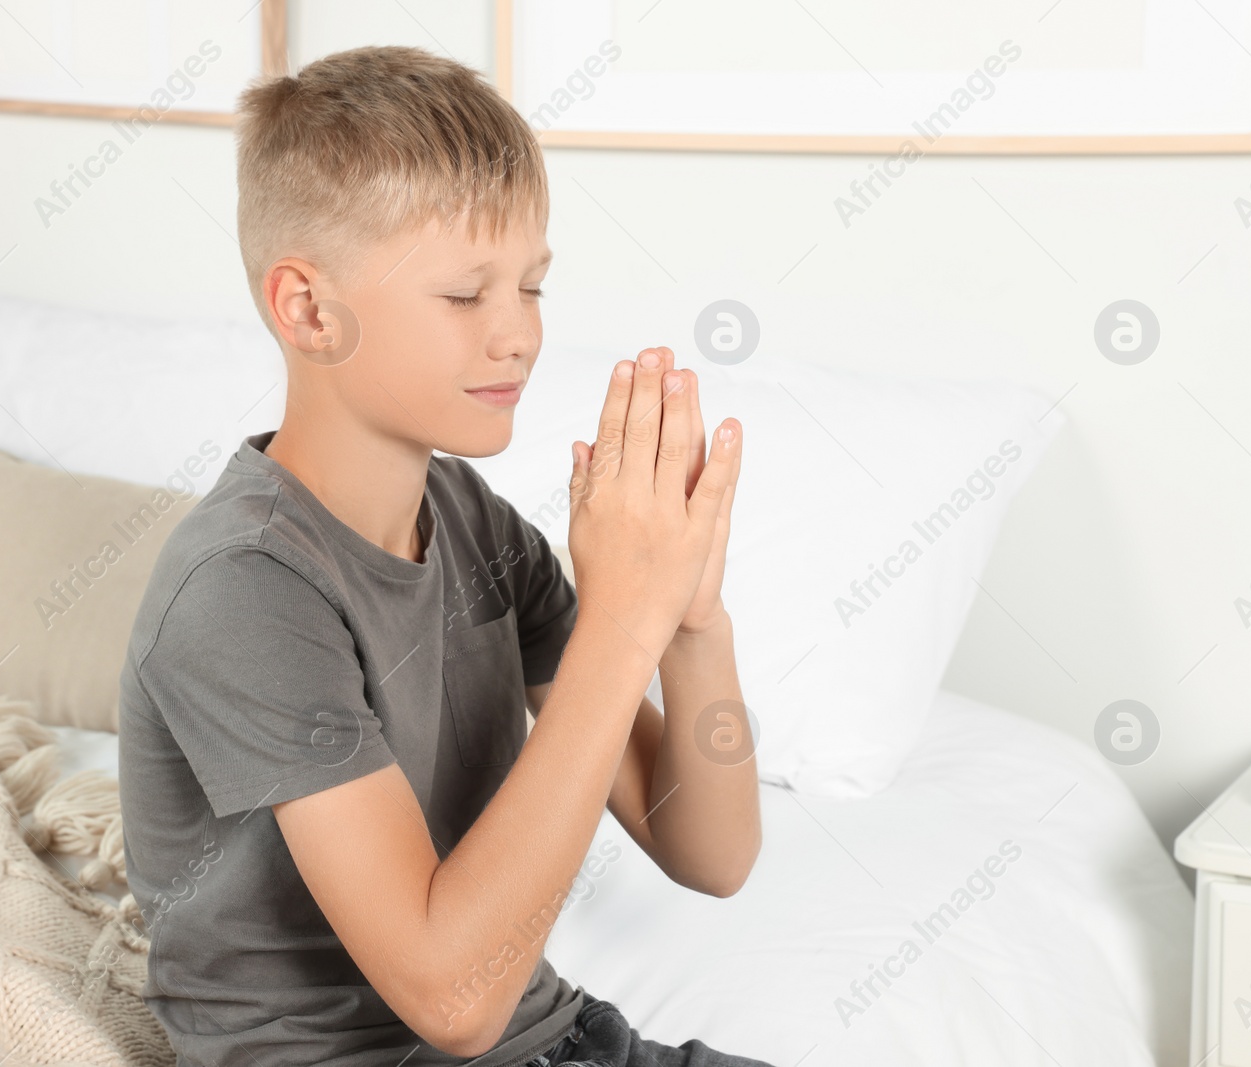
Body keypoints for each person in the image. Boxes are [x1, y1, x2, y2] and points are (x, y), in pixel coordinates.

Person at [116, 43, 770, 1067]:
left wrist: (689, 620)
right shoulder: (242, 584)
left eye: (534, 288)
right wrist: (621, 619)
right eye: (466, 295)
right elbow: (452, 999)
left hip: (562, 1038)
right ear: (309, 309)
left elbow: (713, 852)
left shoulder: (471, 520)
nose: (517, 336)